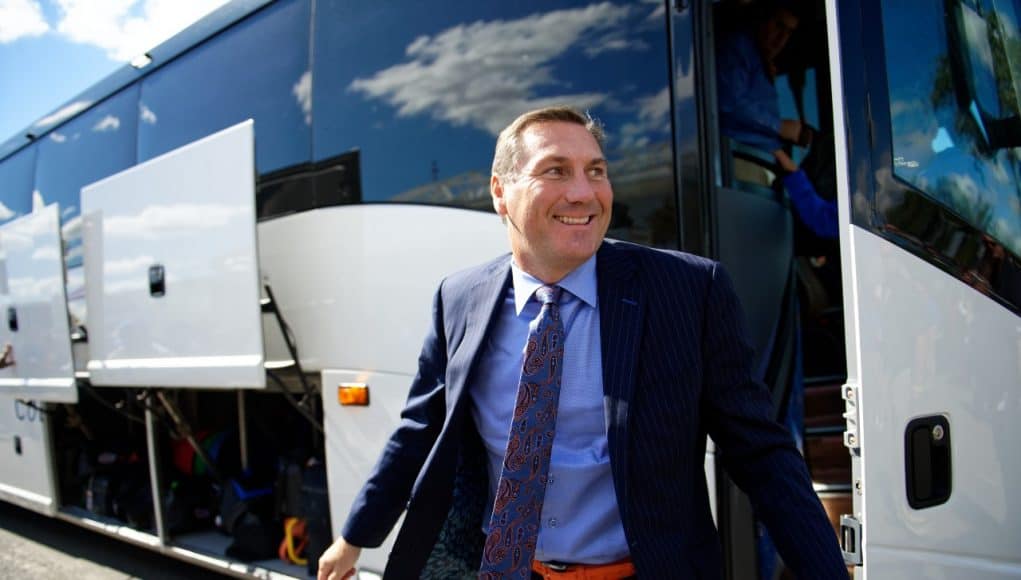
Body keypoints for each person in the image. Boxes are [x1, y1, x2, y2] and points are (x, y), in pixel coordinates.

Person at [317, 106, 846, 579]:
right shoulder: (460, 298)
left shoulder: (688, 291)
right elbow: (419, 430)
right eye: (555, 171)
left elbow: (763, 454)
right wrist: (355, 535)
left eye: (596, 171)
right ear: (500, 192)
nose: (584, 192)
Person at [716, 0, 838, 239]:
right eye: (778, 25)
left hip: (765, 169)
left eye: (789, 32)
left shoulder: (761, 62)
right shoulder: (739, 46)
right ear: (761, 17)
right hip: (742, 165)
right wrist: (780, 127)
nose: (781, 38)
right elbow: (729, 102)